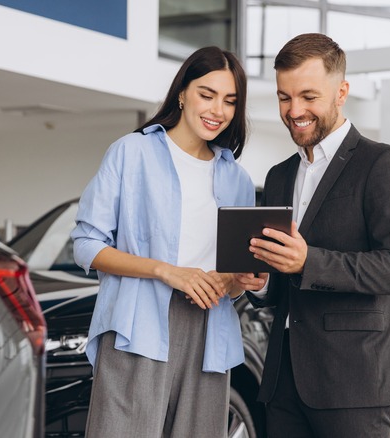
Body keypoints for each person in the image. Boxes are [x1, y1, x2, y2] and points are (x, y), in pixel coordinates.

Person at [235, 33, 390, 437]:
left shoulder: (384, 164)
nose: (294, 110)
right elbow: (284, 286)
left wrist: (309, 261)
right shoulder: (279, 176)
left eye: (308, 96)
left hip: (354, 382)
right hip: (283, 382)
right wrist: (264, 283)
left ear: (342, 92)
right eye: (284, 98)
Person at [71, 46, 255, 438]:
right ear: (182, 93)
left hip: (210, 331)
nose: (217, 110)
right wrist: (167, 271)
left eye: (229, 101)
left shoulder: (237, 178)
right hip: (139, 323)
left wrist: (240, 279)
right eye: (207, 94)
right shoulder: (131, 152)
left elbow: (237, 279)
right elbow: (86, 244)